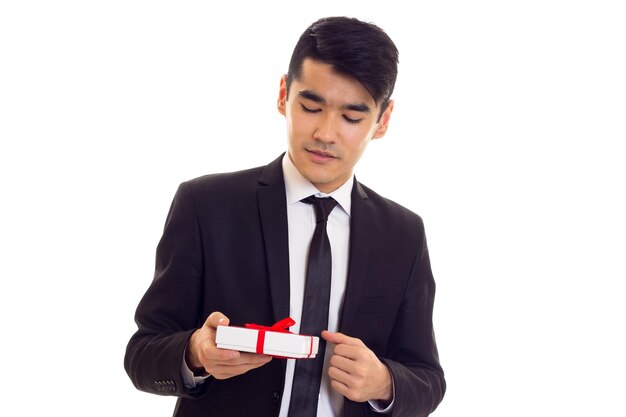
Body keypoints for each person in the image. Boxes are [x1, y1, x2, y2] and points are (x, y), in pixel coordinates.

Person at [125, 16, 445, 417]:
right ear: (283, 95)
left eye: (351, 117)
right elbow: (142, 354)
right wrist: (195, 353)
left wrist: (384, 382)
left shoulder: (404, 233)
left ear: (382, 121)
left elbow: (428, 377)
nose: (325, 133)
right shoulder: (205, 205)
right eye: (311, 107)